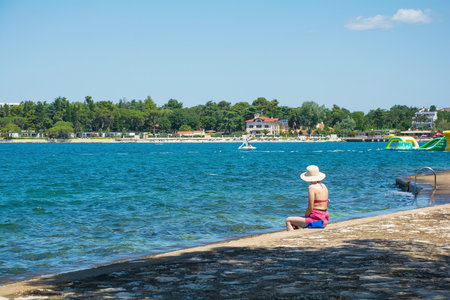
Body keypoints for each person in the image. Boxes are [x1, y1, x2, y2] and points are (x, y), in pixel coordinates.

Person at [286, 165, 329, 230]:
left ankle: (290, 238)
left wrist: (306, 216)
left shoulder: (311, 188)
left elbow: (310, 207)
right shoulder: (323, 186)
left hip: (317, 220)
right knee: (297, 221)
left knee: (288, 220)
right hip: (324, 219)